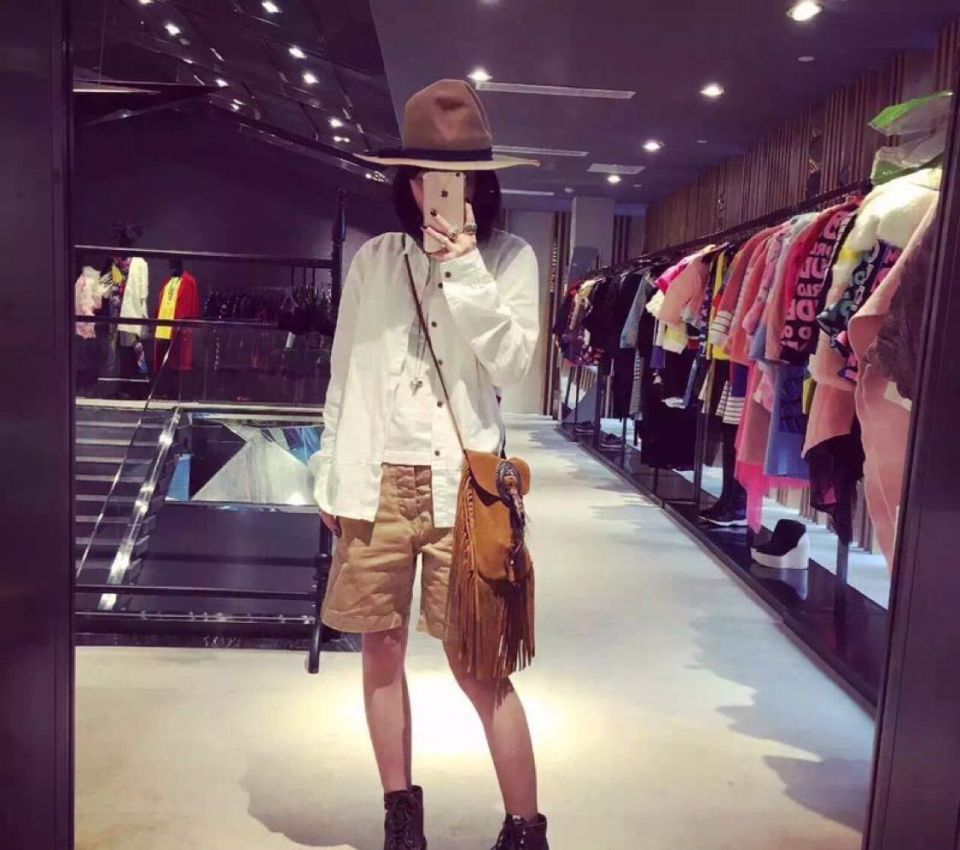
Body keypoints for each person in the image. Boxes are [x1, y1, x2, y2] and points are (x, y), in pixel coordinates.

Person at [310, 79, 549, 850]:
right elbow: (345, 373)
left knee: (477, 663)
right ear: (406, 181)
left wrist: (467, 266)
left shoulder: (511, 259)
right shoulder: (375, 260)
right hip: (375, 479)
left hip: (463, 488)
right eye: (425, 176)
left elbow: (512, 363)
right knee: (380, 649)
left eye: (458, 177)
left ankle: (526, 828)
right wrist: (328, 469)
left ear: (483, 183)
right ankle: (400, 815)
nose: (440, 192)